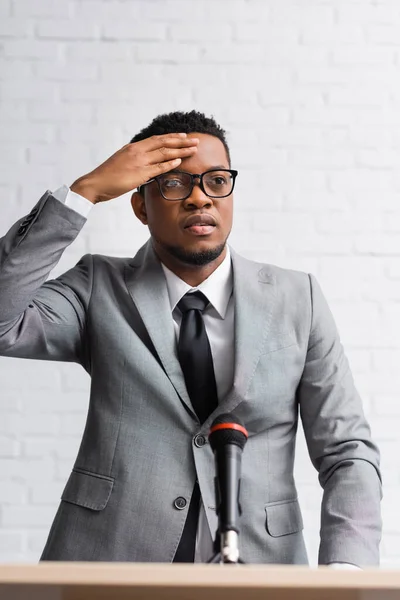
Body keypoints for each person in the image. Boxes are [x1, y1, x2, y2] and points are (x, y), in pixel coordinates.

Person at [0, 110, 381, 566]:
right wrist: (86, 193)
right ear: (140, 204)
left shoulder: (300, 299)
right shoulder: (98, 287)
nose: (200, 199)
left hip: (263, 568)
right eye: (175, 183)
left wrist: (345, 568)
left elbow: (347, 451)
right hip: (110, 562)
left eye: (216, 181)